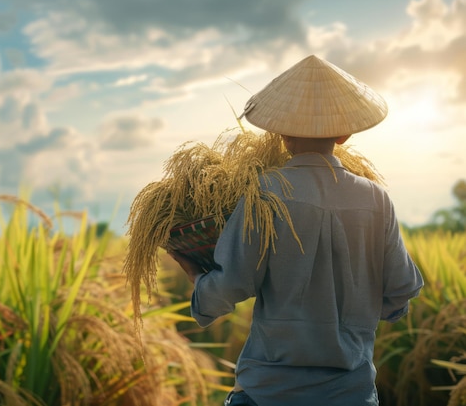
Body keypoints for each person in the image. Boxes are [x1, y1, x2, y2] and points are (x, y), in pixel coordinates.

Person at [169, 55, 424, 406]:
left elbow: (232, 284)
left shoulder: (264, 193)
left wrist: (197, 279)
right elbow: (402, 290)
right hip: (351, 393)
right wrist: (349, 312)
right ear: (345, 133)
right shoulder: (375, 198)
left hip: (268, 391)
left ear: (282, 134)